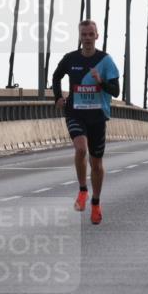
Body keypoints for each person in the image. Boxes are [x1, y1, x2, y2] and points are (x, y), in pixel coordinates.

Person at [52, 20, 121, 225]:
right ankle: (83, 191)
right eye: (84, 35)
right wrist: (58, 97)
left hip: (98, 116)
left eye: (91, 34)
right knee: (81, 149)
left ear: (97, 36)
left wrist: (100, 81)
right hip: (75, 113)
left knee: (97, 163)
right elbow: (56, 76)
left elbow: (116, 91)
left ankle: (96, 203)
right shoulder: (70, 58)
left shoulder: (105, 61)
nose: (87, 38)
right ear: (80, 37)